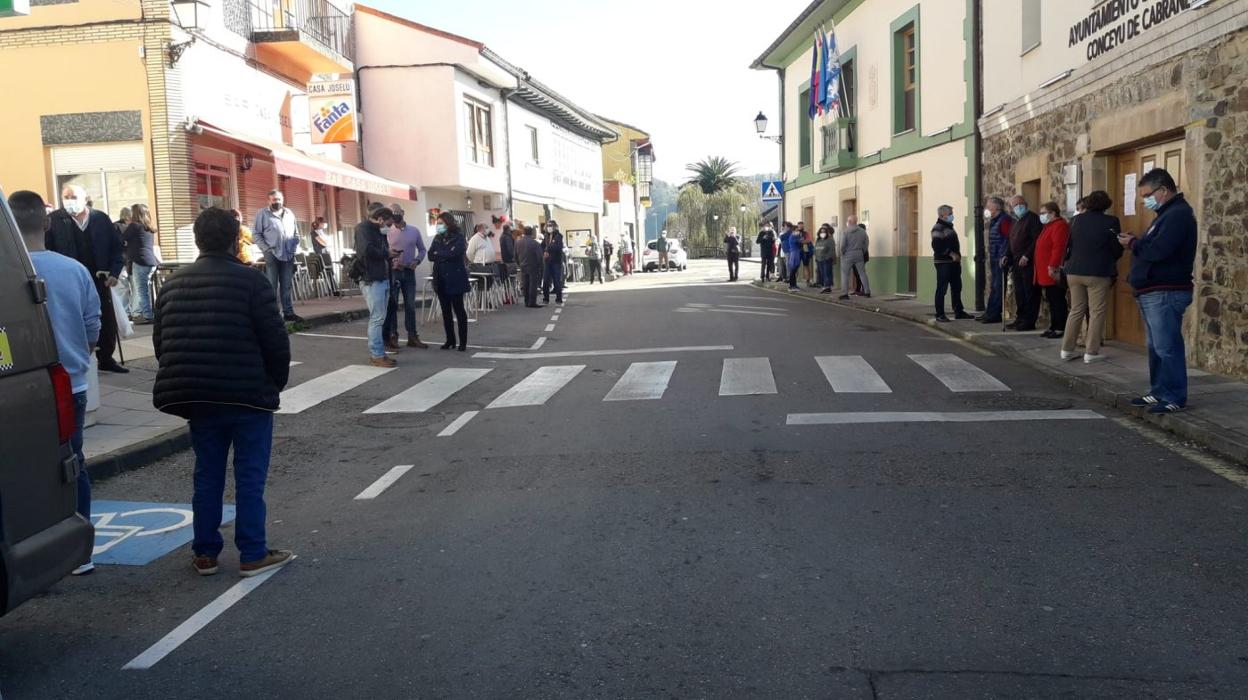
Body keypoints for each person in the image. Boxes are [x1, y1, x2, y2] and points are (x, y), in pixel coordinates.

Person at [151, 207, 294, 578]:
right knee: (250, 476)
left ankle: (205, 553)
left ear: (198, 241)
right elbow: (276, 343)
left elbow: (162, 345)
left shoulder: (172, 285)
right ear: (235, 241)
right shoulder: (252, 282)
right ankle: (252, 552)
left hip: (198, 398)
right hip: (247, 396)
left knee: (207, 473)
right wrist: (273, 384)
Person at [11, 190, 101, 576]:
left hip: (16, 387)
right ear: (47, 223)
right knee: (73, 461)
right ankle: (79, 546)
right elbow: (93, 327)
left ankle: (27, 544)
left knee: (20, 465)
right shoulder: (74, 271)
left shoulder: (7, 272)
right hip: (71, 383)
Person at [1119, 168, 1197, 414]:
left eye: (1147, 195)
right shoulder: (1165, 214)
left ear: (1163, 190)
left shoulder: (1178, 215)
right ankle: (1159, 391)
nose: (1144, 201)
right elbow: (1153, 244)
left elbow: (1160, 250)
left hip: (1166, 291)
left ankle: (1174, 396)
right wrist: (1138, 243)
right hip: (1153, 290)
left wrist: (1133, 244)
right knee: (1155, 346)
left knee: (1167, 346)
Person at [47, 184, 127, 373]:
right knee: (73, 319)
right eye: (65, 197)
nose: (69, 201)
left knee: (104, 319)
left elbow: (117, 248)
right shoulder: (55, 220)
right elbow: (48, 248)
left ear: (85, 198)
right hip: (68, 281)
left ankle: (105, 357)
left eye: (73, 197)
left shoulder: (100, 219)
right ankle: (78, 358)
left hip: (99, 277)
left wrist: (115, 273)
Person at [1060, 190, 1123, 364]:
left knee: (1076, 310)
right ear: (1106, 205)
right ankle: (1091, 351)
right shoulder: (1111, 221)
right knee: (1096, 312)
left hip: (1073, 271)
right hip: (1098, 272)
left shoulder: (1076, 220)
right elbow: (1116, 249)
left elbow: (1069, 245)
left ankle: (1066, 349)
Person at [354, 203, 397, 367]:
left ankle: (380, 353)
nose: (389, 227)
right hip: (371, 278)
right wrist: (387, 254)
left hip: (381, 277)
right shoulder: (363, 229)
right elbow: (366, 251)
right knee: (377, 318)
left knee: (380, 317)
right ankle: (376, 354)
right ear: (380, 219)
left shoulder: (376, 230)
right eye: (388, 224)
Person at [252, 189, 302, 323]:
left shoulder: (289, 213)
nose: (277, 202)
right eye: (274, 200)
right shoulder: (262, 214)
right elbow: (256, 234)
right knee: (272, 285)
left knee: (286, 285)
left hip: (288, 255)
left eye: (279, 199)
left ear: (283, 200)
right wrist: (266, 249)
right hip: (272, 254)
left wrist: (293, 248)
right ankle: (272, 314)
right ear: (268, 201)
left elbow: (296, 234)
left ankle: (288, 313)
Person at [383, 205, 428, 350]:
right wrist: (391, 259)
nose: (396, 215)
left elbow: (422, 249)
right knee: (393, 305)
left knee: (410, 305)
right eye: (393, 213)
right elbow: (383, 251)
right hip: (394, 271)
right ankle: (393, 336)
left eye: (398, 212)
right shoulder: (387, 231)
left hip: (409, 271)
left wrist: (417, 261)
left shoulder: (414, 231)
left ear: (403, 213)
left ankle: (412, 336)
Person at [429, 212, 471, 350]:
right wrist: (444, 254)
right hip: (440, 278)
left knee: (459, 310)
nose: (439, 226)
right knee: (445, 311)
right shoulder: (437, 238)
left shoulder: (458, 237)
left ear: (449, 223)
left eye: (441, 223)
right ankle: (450, 340)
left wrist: (440, 254)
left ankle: (463, 342)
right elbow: (430, 255)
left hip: (455, 278)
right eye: (438, 223)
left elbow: (454, 253)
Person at [1001, 195, 1042, 331]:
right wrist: (1006, 255)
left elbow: (1036, 240)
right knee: (1020, 293)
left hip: (1028, 263)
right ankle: (1020, 318)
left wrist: (1027, 255)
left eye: (1020, 204)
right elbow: (1010, 240)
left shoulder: (1033, 219)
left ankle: (1029, 321)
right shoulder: (1016, 221)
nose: (1018, 207)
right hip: (1016, 263)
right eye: (1015, 205)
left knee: (1030, 292)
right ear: (1012, 208)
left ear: (1026, 204)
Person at [1034, 202, 1071, 339]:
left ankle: (1060, 327)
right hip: (1045, 271)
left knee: (1057, 299)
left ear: (1053, 213)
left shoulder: (1059, 226)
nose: (1041, 216)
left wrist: (1053, 266)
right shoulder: (1048, 226)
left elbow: (1058, 248)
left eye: (1044, 213)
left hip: (1053, 271)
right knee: (1051, 299)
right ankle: (1054, 326)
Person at [931, 205, 972, 322]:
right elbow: (936, 245)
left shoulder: (949, 227)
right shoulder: (938, 228)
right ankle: (940, 314)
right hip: (944, 263)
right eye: (949, 213)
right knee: (942, 288)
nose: (952, 216)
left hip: (954, 263)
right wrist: (951, 254)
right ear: (941, 215)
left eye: (951, 213)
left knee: (956, 287)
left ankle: (958, 311)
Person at [122, 203, 159, 324]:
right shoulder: (148, 227)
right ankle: (148, 312)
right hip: (150, 260)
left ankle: (147, 315)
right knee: (146, 288)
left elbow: (122, 238)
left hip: (140, 261)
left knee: (141, 289)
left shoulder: (134, 226)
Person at [978, 197, 1011, 324]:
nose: (987, 207)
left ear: (997, 207)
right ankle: (990, 312)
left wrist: (1004, 255)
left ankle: (994, 314)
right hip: (994, 257)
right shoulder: (994, 220)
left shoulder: (1004, 220)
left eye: (989, 205)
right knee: (994, 286)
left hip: (1000, 258)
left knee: (998, 286)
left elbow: (1008, 239)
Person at [838, 215, 871, 299]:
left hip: (847, 254)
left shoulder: (845, 232)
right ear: (856, 221)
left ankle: (845, 293)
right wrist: (862, 251)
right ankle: (867, 291)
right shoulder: (862, 231)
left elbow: (842, 245)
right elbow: (866, 243)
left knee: (845, 274)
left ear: (849, 222)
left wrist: (842, 253)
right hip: (859, 254)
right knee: (862, 273)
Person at [309, 216, 340, 297]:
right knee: (326, 272)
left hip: (326, 253)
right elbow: (323, 243)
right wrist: (327, 242)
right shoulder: (314, 233)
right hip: (321, 255)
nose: (324, 224)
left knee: (330, 272)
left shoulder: (322, 232)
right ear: (319, 223)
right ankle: (331, 290)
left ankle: (334, 289)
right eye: (323, 223)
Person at [517, 226, 544, 308]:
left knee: (525, 283)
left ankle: (526, 301)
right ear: (531, 233)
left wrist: (519, 263)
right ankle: (532, 302)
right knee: (533, 284)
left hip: (523, 265)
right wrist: (541, 266)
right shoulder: (535, 243)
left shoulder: (518, 243)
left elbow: (515, 255)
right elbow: (539, 256)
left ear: (523, 232)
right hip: (533, 265)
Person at [541, 220, 566, 304]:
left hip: (556, 261)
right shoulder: (546, 236)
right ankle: (545, 298)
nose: (549, 227)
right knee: (545, 280)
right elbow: (542, 246)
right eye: (548, 226)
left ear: (555, 226)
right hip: (547, 262)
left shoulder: (559, 236)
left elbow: (558, 247)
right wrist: (543, 252)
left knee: (557, 280)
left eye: (551, 226)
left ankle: (559, 298)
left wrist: (547, 250)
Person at [814, 224, 836, 293]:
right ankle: (824, 285)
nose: (822, 233)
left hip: (826, 260)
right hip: (819, 259)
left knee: (827, 273)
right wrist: (816, 257)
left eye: (824, 232)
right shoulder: (818, 240)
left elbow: (832, 250)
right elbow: (816, 249)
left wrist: (827, 257)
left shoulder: (830, 240)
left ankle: (827, 286)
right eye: (821, 232)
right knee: (822, 273)